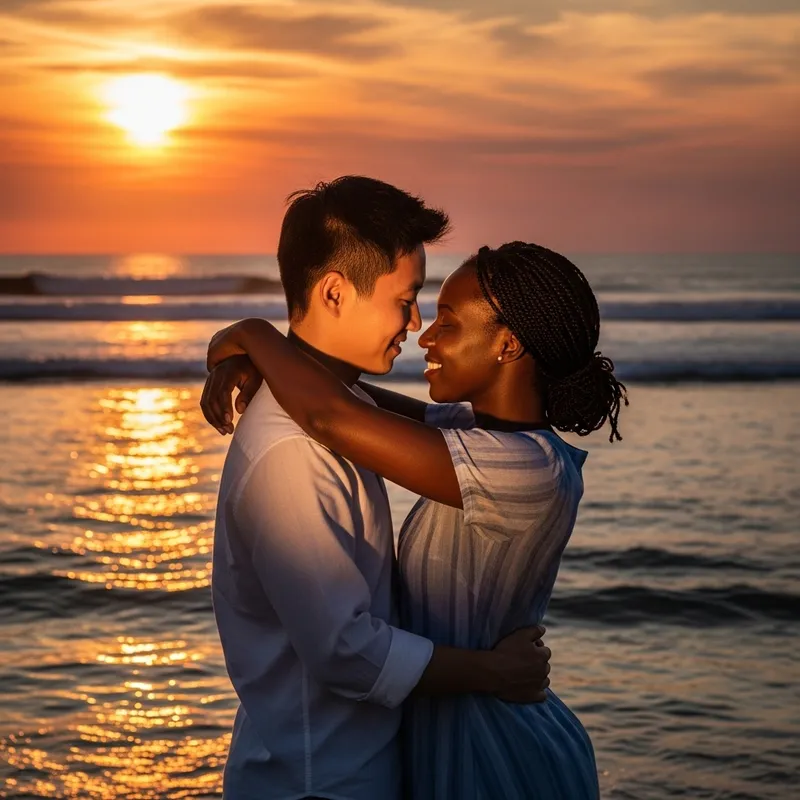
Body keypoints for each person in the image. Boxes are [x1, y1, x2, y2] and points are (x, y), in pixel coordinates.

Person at [204, 239, 629, 800]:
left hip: (495, 751)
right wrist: (249, 356)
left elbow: (333, 415)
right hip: (448, 735)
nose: (424, 336)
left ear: (507, 344)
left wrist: (255, 335)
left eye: (448, 323)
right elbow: (348, 398)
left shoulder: (526, 469)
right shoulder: (478, 435)